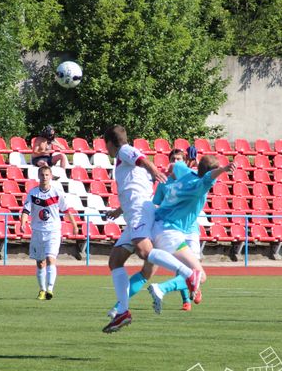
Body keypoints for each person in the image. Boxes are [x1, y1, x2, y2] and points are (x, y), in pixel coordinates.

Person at [101, 125, 202, 334]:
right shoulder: (126, 161)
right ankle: (123, 312)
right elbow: (135, 184)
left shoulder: (124, 151)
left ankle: (188, 273)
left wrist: (153, 170)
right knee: (115, 261)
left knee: (144, 251)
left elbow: (140, 159)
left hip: (138, 211)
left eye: (106, 146)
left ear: (110, 143)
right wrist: (120, 210)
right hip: (133, 212)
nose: (107, 150)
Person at [106, 149, 194, 317]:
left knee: (183, 270)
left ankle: (184, 297)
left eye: (179, 159)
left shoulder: (190, 179)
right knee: (147, 270)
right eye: (173, 159)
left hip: (187, 230)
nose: (175, 162)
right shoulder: (164, 182)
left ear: (185, 162)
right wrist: (121, 209)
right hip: (161, 225)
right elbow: (150, 202)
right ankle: (121, 307)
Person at [147, 155, 236, 315]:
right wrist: (223, 170)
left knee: (191, 273)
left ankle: (123, 305)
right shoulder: (199, 186)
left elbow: (175, 165)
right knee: (199, 275)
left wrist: (170, 169)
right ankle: (161, 288)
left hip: (162, 225)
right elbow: (209, 176)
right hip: (169, 231)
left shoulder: (186, 172)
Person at [20, 165, 78, 300]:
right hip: (38, 231)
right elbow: (26, 210)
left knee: (51, 259)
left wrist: (74, 224)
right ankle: (42, 289)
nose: (44, 177)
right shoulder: (33, 193)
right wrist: (23, 222)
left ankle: (50, 289)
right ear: (38, 176)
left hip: (53, 231)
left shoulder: (57, 192)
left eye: (47, 175)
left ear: (51, 176)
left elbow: (66, 210)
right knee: (40, 263)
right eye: (42, 175)